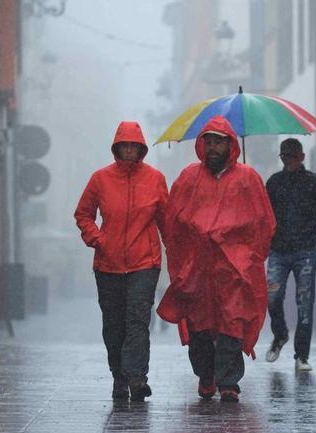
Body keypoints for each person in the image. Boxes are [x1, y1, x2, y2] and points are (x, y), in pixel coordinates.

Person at [157, 116, 276, 402]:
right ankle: (206, 375)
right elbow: (174, 221)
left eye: (218, 142)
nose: (212, 147)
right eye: (208, 141)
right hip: (198, 266)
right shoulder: (189, 178)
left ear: (230, 144)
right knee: (200, 325)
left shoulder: (248, 178)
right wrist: (185, 255)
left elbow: (263, 222)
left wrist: (250, 258)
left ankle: (228, 381)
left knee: (231, 323)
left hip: (234, 268)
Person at [74, 121, 168, 402]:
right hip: (108, 264)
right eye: (124, 145)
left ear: (141, 148)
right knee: (113, 324)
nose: (129, 150)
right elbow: (83, 214)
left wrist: (177, 253)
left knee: (137, 320)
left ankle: (137, 377)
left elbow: (166, 220)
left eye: (133, 146)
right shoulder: (100, 179)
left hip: (144, 262)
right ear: (117, 148)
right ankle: (119, 376)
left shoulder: (155, 179)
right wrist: (99, 240)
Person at [264, 138, 316, 372]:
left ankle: (301, 355)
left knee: (305, 304)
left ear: (302, 157)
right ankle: (280, 334)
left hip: (305, 250)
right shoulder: (273, 183)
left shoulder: (313, 183)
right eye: (284, 156)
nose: (289, 160)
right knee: (272, 297)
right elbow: (263, 215)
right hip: (278, 249)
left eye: (292, 156)